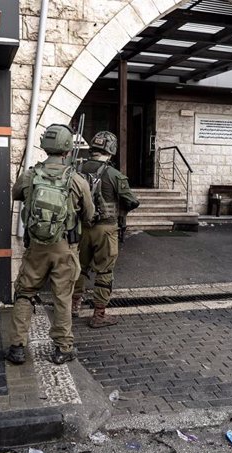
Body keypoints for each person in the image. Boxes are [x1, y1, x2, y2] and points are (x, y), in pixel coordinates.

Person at [5, 124, 95, 365]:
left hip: (36, 247)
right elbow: (89, 215)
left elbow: (15, 194)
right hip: (66, 247)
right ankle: (62, 348)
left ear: (46, 146)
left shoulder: (31, 175)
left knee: (25, 293)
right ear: (67, 148)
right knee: (62, 297)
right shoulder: (77, 180)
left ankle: (16, 347)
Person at [72, 131, 139, 327]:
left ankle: (74, 306)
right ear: (111, 150)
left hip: (81, 228)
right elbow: (132, 201)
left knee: (79, 268)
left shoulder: (77, 170)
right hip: (106, 229)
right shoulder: (115, 175)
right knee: (104, 271)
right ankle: (99, 315)